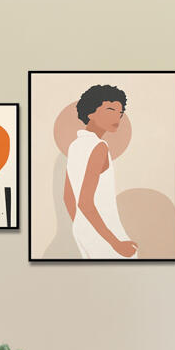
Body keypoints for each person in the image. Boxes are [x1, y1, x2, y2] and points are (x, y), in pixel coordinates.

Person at [62, 83, 138, 258]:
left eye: (120, 113)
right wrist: (115, 243)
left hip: (85, 230)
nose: (117, 117)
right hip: (107, 232)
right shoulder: (99, 147)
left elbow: (68, 197)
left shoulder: (75, 145)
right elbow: (84, 202)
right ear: (90, 112)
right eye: (110, 110)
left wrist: (82, 227)